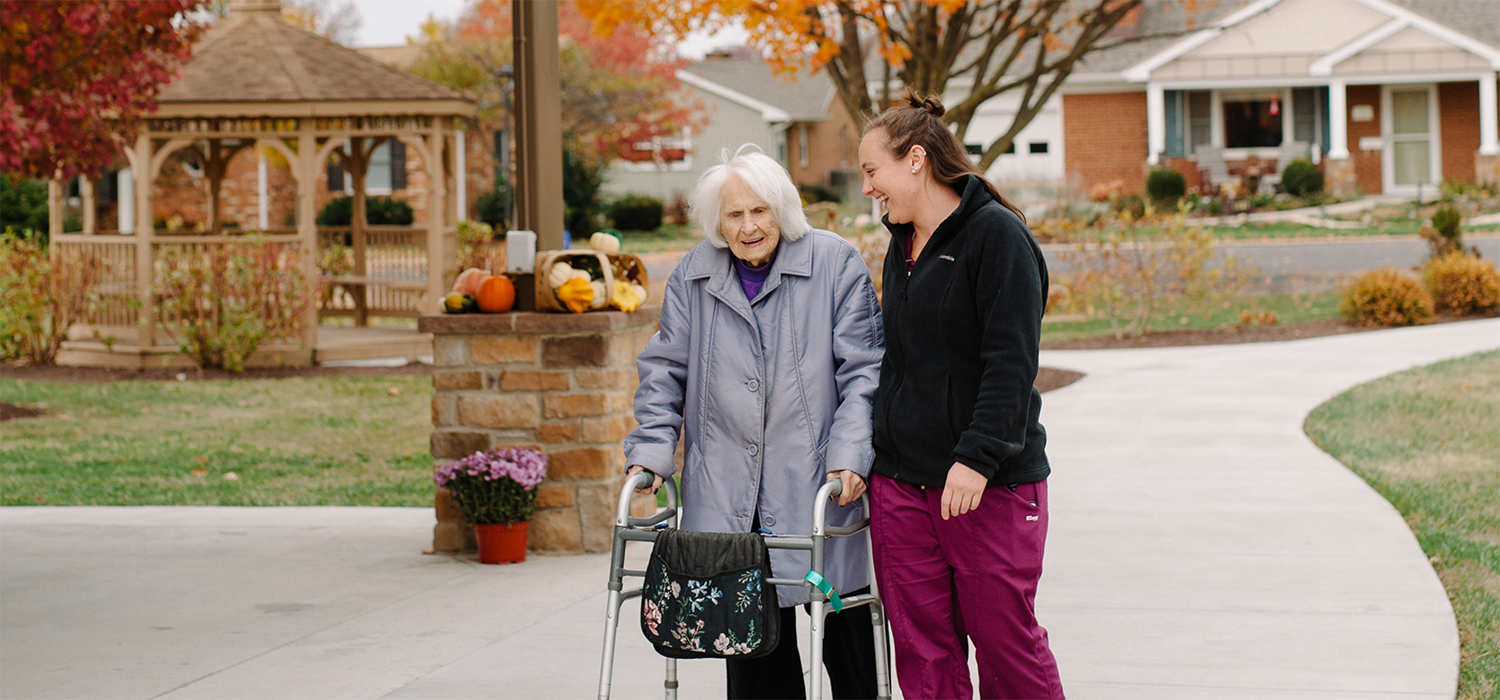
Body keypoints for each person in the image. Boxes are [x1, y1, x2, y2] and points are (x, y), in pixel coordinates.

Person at [624, 146, 885, 700]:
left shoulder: (834, 263)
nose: (748, 227)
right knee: (751, 650)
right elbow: (664, 371)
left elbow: (864, 372)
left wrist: (851, 454)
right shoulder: (694, 276)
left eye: (759, 211)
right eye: (734, 214)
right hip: (727, 497)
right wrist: (650, 452)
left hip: (816, 487)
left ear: (782, 209)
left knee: (844, 633)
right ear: (717, 221)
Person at [859, 93, 1063, 700]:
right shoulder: (903, 242)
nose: (868, 187)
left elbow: (1011, 362)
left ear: (915, 160)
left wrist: (976, 457)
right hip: (901, 484)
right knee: (923, 653)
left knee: (1006, 646)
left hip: (985, 486)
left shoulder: (996, 236)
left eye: (873, 171)